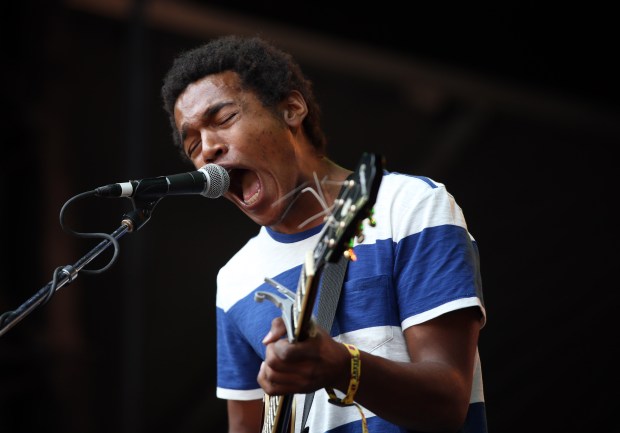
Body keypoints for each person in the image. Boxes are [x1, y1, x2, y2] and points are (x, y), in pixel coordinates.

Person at [161, 34, 487, 433]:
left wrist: (342, 366)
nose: (207, 149)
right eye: (192, 144)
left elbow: (448, 401)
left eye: (224, 119)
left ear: (291, 109)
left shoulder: (409, 205)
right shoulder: (234, 279)